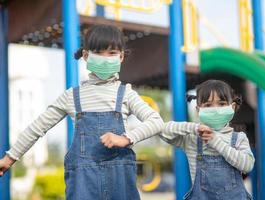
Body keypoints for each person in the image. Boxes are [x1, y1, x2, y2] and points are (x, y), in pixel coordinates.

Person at [0, 25, 164, 200]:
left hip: (120, 185)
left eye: (112, 53)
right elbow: (36, 128)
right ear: (86, 56)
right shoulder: (72, 96)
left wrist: (125, 138)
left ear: (121, 57)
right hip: (83, 186)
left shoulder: (126, 94)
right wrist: (9, 159)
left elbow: (156, 121)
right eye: (99, 53)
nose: (105, 59)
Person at [161, 79, 254, 200]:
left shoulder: (239, 138)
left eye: (221, 104)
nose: (215, 109)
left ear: (232, 107)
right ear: (199, 110)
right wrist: (194, 127)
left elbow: (247, 165)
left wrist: (215, 141)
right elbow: (162, 130)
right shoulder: (192, 139)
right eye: (208, 105)